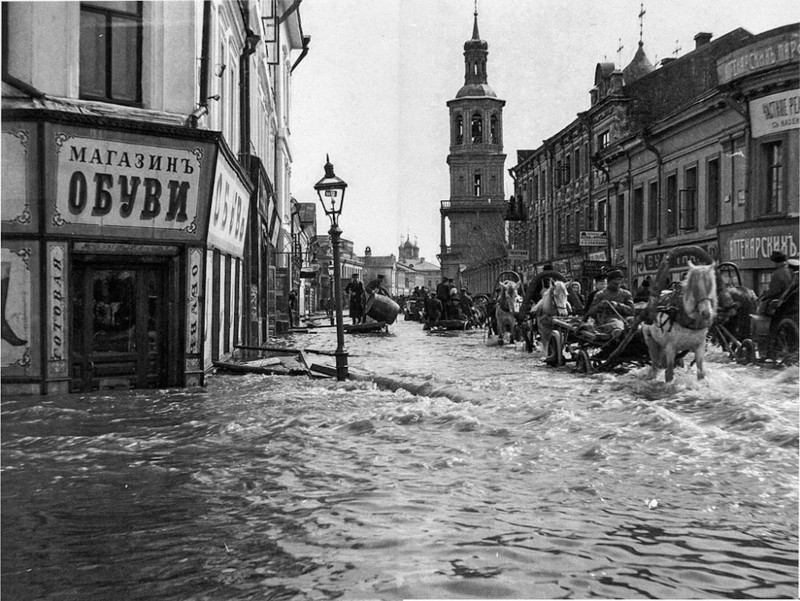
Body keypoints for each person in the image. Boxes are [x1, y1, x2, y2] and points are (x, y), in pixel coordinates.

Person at [583, 269, 634, 338]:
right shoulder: (600, 294)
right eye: (615, 280)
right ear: (609, 281)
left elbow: (632, 311)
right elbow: (591, 312)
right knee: (617, 324)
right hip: (607, 320)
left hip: (625, 318)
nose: (617, 282)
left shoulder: (626, 294)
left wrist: (617, 305)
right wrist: (600, 305)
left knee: (634, 322)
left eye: (619, 280)